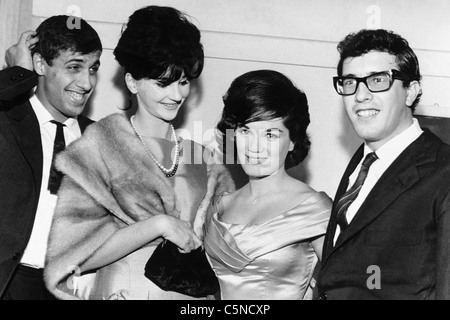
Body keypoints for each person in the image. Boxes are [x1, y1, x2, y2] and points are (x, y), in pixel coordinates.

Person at [44, 5, 234, 300]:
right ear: (132, 82)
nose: (176, 95)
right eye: (163, 83)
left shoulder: (203, 158)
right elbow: (71, 258)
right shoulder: (98, 149)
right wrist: (158, 225)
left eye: (183, 82)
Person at [317, 29, 450, 300]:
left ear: (411, 92)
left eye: (378, 80)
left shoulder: (444, 171)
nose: (361, 95)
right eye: (350, 82)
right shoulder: (361, 162)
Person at [203, 69, 332, 300]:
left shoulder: (316, 209)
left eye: (270, 135)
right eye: (245, 131)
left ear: (292, 140)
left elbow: (353, 285)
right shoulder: (218, 207)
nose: (255, 147)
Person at [0, 16, 102, 300]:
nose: (86, 82)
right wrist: (17, 72)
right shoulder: (7, 121)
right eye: (74, 67)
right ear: (41, 64)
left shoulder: (98, 138)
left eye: (93, 69)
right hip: (8, 283)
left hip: (67, 288)